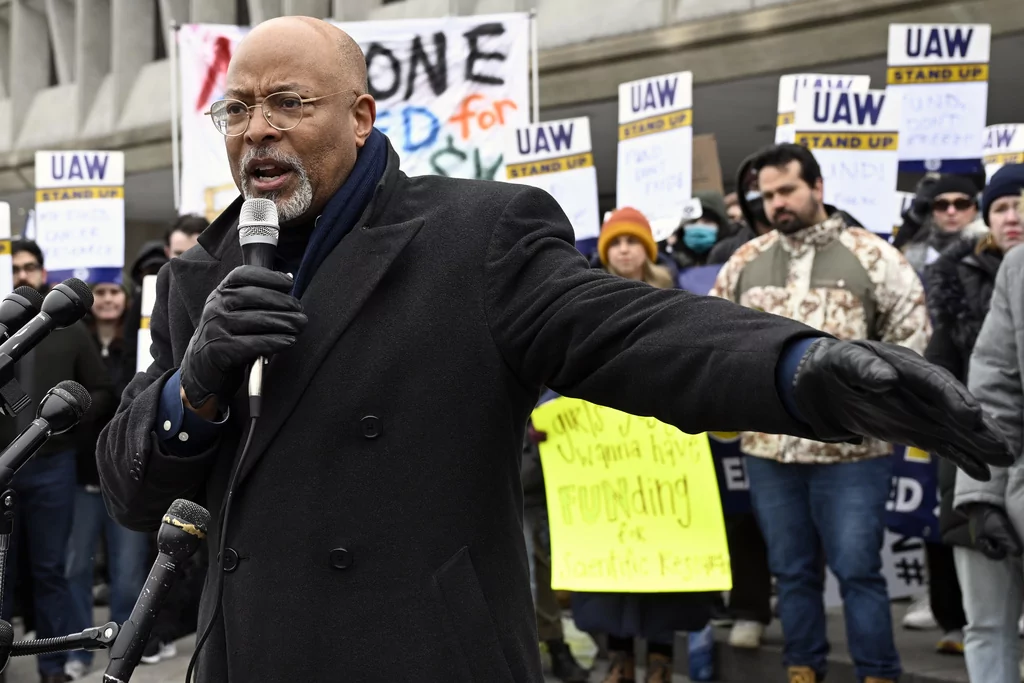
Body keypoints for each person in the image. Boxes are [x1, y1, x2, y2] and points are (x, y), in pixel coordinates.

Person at [96, 17, 1011, 682]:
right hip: (249, 657)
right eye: (237, 109)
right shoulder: (196, 279)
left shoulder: (473, 236)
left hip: (420, 655)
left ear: (363, 116)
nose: (257, 129)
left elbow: (630, 329)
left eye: (288, 103)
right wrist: (195, 386)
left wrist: (798, 369)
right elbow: (136, 492)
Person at [710, 143, 930, 683]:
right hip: (768, 451)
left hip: (853, 453)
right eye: (768, 195)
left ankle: (878, 672)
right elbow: (712, 335)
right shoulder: (745, 260)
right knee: (791, 572)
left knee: (858, 572)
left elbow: (913, 337)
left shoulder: (873, 256)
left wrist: (871, 408)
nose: (777, 203)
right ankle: (801, 668)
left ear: (818, 188)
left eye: (788, 190)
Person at [575, 209, 711, 683]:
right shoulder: (580, 298)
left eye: (634, 242)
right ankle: (619, 658)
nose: (625, 250)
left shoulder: (676, 299)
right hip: (604, 457)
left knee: (664, 556)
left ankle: (659, 659)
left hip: (665, 455)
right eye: (616, 243)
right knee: (613, 557)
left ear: (647, 250)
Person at [3, 241, 113, 683]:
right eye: (15, 268)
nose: (24, 274)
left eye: (31, 267)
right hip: (3, 469)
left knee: (51, 569)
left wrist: (64, 422)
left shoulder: (69, 329)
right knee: (1, 575)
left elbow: (103, 390)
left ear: (44, 273)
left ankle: (52, 667)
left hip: (51, 467)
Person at [951, 172, 1024, 683]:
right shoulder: (1017, 270)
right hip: (997, 477)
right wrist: (981, 494)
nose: (1013, 217)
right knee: (988, 623)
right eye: (1002, 206)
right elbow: (994, 388)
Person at [63, 280, 149, 680]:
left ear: (127, 300)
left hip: (125, 477)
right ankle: (81, 646)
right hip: (81, 477)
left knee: (129, 573)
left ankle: (122, 648)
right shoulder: (72, 344)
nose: (108, 298)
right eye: (100, 291)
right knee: (76, 567)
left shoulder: (138, 345)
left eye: (116, 291)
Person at [521, 428, 589, 683]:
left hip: (540, 499)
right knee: (531, 574)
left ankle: (553, 645)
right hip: (518, 497)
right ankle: (552, 647)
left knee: (540, 571)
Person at [901, 174, 987, 274]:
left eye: (961, 204)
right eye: (941, 205)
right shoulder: (913, 258)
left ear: (975, 209)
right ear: (932, 212)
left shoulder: (989, 252)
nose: (951, 212)